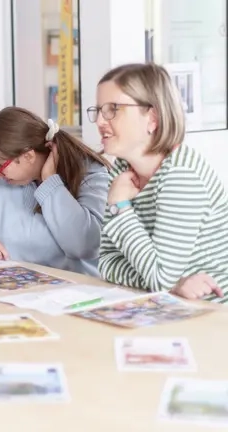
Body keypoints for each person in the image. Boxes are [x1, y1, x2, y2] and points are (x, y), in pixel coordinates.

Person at [93, 63, 228, 302]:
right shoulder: (122, 171)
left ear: (152, 118)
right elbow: (107, 263)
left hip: (214, 316)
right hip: (169, 305)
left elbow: (159, 278)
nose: (100, 121)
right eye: (99, 110)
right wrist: (173, 285)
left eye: (113, 109)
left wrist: (120, 206)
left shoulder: (181, 175)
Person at [0, 106, 111, 277]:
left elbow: (85, 245)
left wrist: (50, 182)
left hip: (75, 294)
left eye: (0, 167)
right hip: (12, 291)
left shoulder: (90, 175)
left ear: (28, 156)